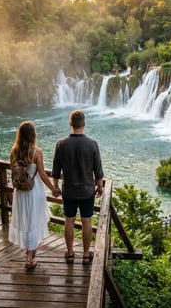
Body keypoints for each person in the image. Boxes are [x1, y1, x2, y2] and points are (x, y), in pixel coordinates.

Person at [52, 110, 104, 265]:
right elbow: (98, 171)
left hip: (69, 190)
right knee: (86, 221)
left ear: (70, 124)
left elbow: (56, 171)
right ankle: (86, 254)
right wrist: (99, 187)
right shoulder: (92, 144)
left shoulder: (61, 144)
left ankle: (69, 253)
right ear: (84, 123)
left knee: (69, 221)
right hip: (87, 191)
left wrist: (55, 187)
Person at [9, 121, 61, 269]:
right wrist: (53, 189)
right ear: (33, 135)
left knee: (26, 221)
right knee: (33, 221)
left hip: (20, 192)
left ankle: (29, 251)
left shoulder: (14, 151)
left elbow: (13, 172)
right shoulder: (36, 152)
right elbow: (43, 175)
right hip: (34, 191)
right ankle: (29, 258)